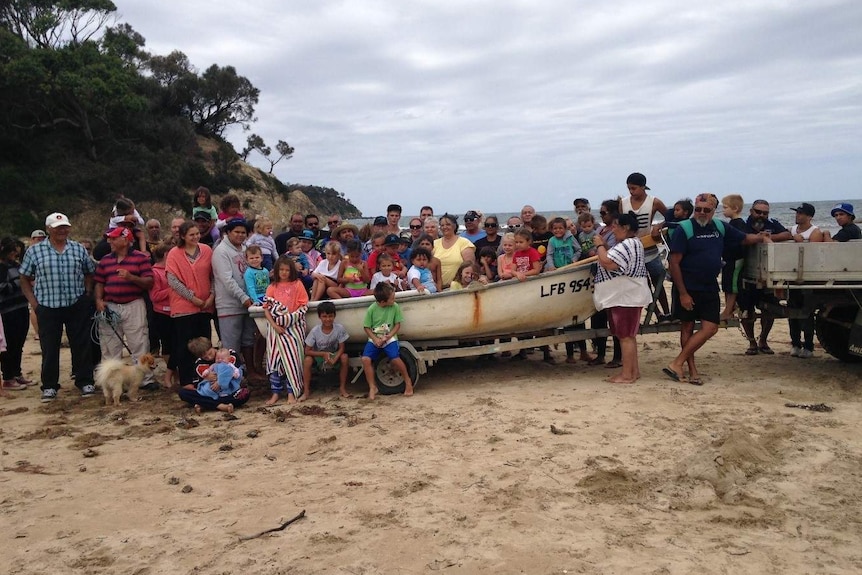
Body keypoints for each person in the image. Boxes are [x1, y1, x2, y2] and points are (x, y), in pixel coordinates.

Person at [664, 194, 765, 384]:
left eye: (706, 210)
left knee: (710, 328)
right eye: (698, 209)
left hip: (709, 286)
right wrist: (683, 293)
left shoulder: (720, 227)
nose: (701, 213)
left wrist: (762, 238)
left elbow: (743, 238)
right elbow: (673, 263)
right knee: (687, 327)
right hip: (688, 287)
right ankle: (691, 370)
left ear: (714, 211)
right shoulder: (684, 229)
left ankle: (677, 362)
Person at [19, 213, 97, 402]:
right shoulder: (34, 251)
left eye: (65, 226)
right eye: (58, 227)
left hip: (75, 303)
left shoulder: (78, 249)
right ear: (48, 229)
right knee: (49, 347)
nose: (62, 230)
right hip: (47, 305)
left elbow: (89, 272)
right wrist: (34, 302)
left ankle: (84, 380)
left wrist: (86, 294)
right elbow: (24, 278)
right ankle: (50, 386)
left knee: (81, 345)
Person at [592, 211, 653, 384]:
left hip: (625, 296)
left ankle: (627, 374)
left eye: (615, 226)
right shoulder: (634, 243)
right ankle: (633, 371)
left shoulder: (627, 244)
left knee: (625, 335)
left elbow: (609, 263)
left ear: (625, 227)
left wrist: (600, 246)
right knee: (628, 336)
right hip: (628, 295)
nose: (613, 229)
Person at [93, 227, 156, 387]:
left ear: (126, 240)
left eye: (114, 239)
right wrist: (99, 300)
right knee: (110, 345)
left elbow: (149, 281)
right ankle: (111, 380)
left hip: (134, 303)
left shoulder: (140, 258)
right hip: (110, 305)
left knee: (139, 342)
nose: (110, 242)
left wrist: (131, 277)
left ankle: (145, 379)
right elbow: (99, 282)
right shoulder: (106, 260)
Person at [739, 199, 792, 355]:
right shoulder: (742, 224)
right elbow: (739, 239)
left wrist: (768, 237)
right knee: (747, 312)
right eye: (758, 212)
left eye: (765, 213)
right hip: (746, 273)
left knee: (769, 311)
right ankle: (751, 342)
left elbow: (787, 234)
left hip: (769, 273)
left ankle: (763, 340)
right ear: (751, 211)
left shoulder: (772, 223)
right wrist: (757, 238)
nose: (761, 215)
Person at [165, 221, 214, 387]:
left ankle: (206, 378)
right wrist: (193, 298)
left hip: (205, 306)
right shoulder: (174, 253)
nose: (195, 237)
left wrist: (211, 296)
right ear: (183, 236)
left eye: (197, 233)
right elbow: (173, 280)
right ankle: (187, 380)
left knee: (205, 344)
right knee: (185, 345)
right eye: (191, 234)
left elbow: (213, 276)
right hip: (184, 307)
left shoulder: (207, 250)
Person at [212, 218, 261, 379]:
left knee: (248, 340)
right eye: (237, 232)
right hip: (229, 305)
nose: (240, 235)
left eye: (243, 233)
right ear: (228, 232)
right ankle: (230, 378)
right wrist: (243, 297)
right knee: (231, 346)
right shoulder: (221, 251)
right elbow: (227, 280)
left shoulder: (246, 249)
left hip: (248, 304)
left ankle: (251, 372)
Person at [621, 172, 671, 322]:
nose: (631, 191)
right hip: (632, 251)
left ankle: (667, 313)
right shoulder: (623, 203)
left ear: (643, 187)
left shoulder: (654, 202)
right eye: (629, 188)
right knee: (642, 285)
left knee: (658, 280)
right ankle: (657, 314)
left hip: (650, 248)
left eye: (634, 188)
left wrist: (659, 226)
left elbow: (671, 217)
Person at [263, 255, 309, 405]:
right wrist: (276, 326)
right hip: (275, 329)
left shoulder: (297, 284)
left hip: (294, 327)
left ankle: (291, 392)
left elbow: (303, 306)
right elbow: (267, 309)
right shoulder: (272, 287)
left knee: (292, 360)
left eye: (287, 270)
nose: (284, 273)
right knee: (275, 360)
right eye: (281, 270)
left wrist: (289, 319)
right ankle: (275, 393)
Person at [361, 282, 414, 400]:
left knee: (395, 358)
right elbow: (367, 327)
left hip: (389, 337)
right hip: (375, 337)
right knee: (365, 359)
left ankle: (407, 380)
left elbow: (397, 325)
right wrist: (375, 339)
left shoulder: (394, 306)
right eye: (392, 298)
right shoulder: (372, 309)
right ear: (383, 301)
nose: (394, 299)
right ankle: (372, 386)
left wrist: (388, 336)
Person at [786, 203, 824, 358]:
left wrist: (801, 243)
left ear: (809, 216)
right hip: (792, 276)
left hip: (808, 277)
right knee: (792, 312)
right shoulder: (793, 229)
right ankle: (795, 343)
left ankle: (808, 345)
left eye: (801, 213)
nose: (797, 215)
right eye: (797, 213)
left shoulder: (814, 232)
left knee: (806, 313)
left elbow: (814, 254)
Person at [180, 337, 250, 413]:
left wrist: (220, 380)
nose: (209, 357)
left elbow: (234, 371)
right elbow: (197, 384)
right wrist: (207, 379)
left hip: (229, 390)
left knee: (245, 393)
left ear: (212, 346)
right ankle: (220, 406)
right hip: (211, 393)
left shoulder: (228, 353)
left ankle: (205, 404)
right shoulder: (199, 364)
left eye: (210, 353)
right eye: (205, 357)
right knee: (183, 393)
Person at [0, 237, 31, 391]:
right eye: (13, 251)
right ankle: (7, 377)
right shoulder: (2, 267)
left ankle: (17, 372)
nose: (15, 254)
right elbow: (2, 287)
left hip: (21, 306)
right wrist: (18, 283)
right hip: (7, 310)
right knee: (10, 344)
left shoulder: (16, 265)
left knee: (19, 342)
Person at [302, 301, 350, 399]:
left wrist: (335, 358)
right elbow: (307, 351)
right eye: (324, 316)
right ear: (319, 317)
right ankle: (306, 391)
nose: (328, 319)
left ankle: (342, 388)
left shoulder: (339, 328)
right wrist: (323, 354)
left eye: (330, 316)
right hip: (319, 356)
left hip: (334, 354)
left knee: (344, 357)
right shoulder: (315, 331)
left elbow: (342, 348)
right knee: (307, 360)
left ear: (334, 316)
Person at [148, 242, 175, 388]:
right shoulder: (155, 272)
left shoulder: (172, 269)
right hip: (162, 313)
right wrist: (173, 289)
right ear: (166, 255)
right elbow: (155, 296)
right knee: (167, 345)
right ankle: (172, 374)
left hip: (176, 311)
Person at [718, 194, 747, 322]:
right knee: (727, 284)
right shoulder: (732, 223)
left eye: (725, 207)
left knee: (733, 285)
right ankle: (729, 309)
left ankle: (729, 310)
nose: (723, 210)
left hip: (735, 258)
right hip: (728, 259)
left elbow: (739, 241)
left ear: (735, 208)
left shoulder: (739, 223)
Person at [434, 214, 475, 288]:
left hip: (459, 287)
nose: (445, 227)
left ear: (454, 226)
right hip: (438, 288)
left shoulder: (464, 243)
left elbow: (471, 267)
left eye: (448, 224)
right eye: (442, 225)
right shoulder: (434, 243)